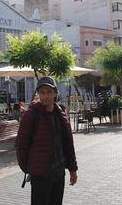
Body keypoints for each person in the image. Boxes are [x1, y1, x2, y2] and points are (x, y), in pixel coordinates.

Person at [16, 76, 78, 205]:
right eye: (42, 93)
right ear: (38, 94)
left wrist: (72, 169)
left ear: (56, 93)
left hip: (58, 172)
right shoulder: (31, 115)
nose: (46, 96)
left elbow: (68, 144)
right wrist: (28, 168)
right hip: (40, 173)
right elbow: (21, 145)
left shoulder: (61, 114)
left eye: (49, 92)